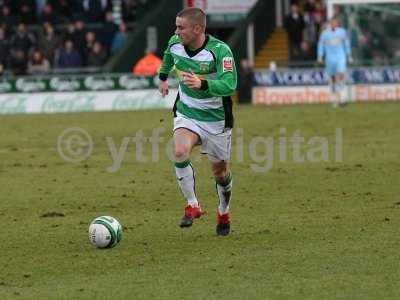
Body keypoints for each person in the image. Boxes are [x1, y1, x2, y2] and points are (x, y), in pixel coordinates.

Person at [158, 7, 237, 236]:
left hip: (216, 120)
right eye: (176, 26)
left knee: (220, 173)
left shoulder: (220, 51)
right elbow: (168, 55)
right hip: (187, 112)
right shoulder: (175, 42)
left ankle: (223, 211)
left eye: (181, 27)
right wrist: (163, 77)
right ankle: (193, 205)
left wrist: (203, 84)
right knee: (180, 151)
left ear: (198, 29)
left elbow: (230, 85)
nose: (176, 31)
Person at [318, 17, 352, 107]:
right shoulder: (325, 34)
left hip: (340, 57)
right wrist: (320, 56)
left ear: (337, 23)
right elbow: (321, 45)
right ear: (330, 23)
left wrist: (349, 55)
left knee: (340, 76)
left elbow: (346, 43)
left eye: (335, 22)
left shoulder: (342, 32)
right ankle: (334, 100)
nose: (334, 23)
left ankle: (343, 99)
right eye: (332, 22)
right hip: (329, 59)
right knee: (333, 79)